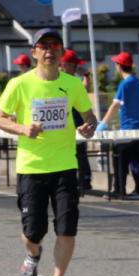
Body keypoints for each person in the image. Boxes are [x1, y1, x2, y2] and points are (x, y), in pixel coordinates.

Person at [0, 27, 97, 276]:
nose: (49, 50)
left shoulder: (72, 84)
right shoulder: (20, 84)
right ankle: (33, 254)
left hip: (64, 166)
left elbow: (89, 116)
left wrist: (89, 127)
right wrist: (23, 128)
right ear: (34, 52)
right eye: (44, 46)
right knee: (32, 232)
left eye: (55, 45)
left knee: (67, 228)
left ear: (62, 51)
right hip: (32, 168)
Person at [99, 51, 139, 199]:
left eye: (116, 64)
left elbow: (115, 106)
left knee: (119, 158)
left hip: (128, 129)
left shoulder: (124, 84)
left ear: (119, 66)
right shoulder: (138, 82)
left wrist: (103, 123)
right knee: (138, 160)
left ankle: (119, 190)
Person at [61, 49, 94, 194]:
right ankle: (75, 181)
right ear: (64, 65)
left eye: (76, 65)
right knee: (72, 154)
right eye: (73, 65)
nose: (76, 68)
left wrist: (86, 74)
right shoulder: (60, 80)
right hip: (65, 124)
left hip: (79, 123)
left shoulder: (74, 81)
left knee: (80, 153)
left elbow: (87, 88)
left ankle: (84, 181)